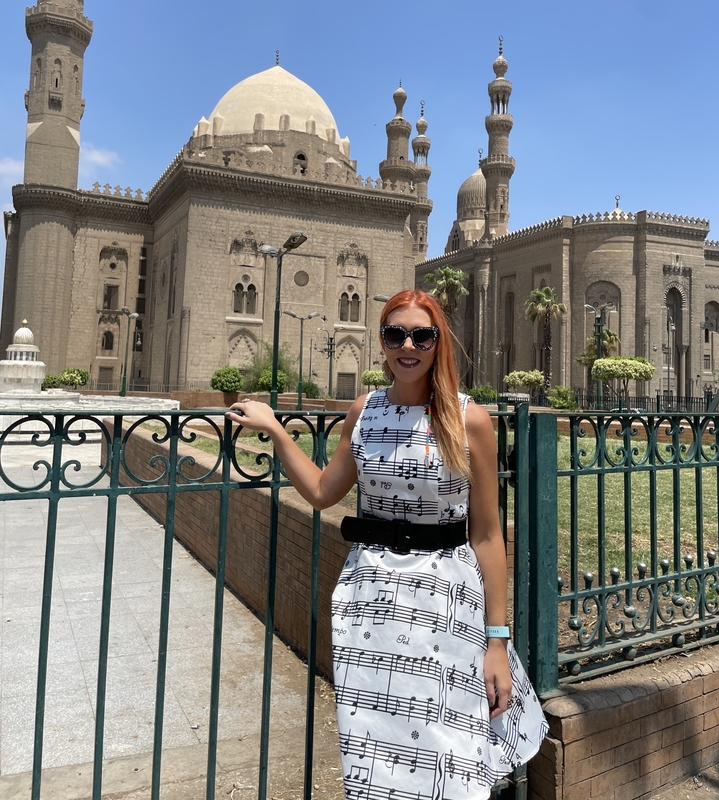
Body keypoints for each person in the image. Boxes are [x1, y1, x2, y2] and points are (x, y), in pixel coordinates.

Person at [227, 289, 547, 800]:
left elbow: (487, 535)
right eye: (396, 334)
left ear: (438, 343)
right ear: (381, 341)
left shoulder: (467, 419)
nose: (408, 346)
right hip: (372, 600)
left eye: (422, 336)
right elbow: (323, 491)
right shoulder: (365, 411)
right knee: (376, 751)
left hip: (446, 601)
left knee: (451, 751)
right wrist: (277, 431)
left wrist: (497, 642)